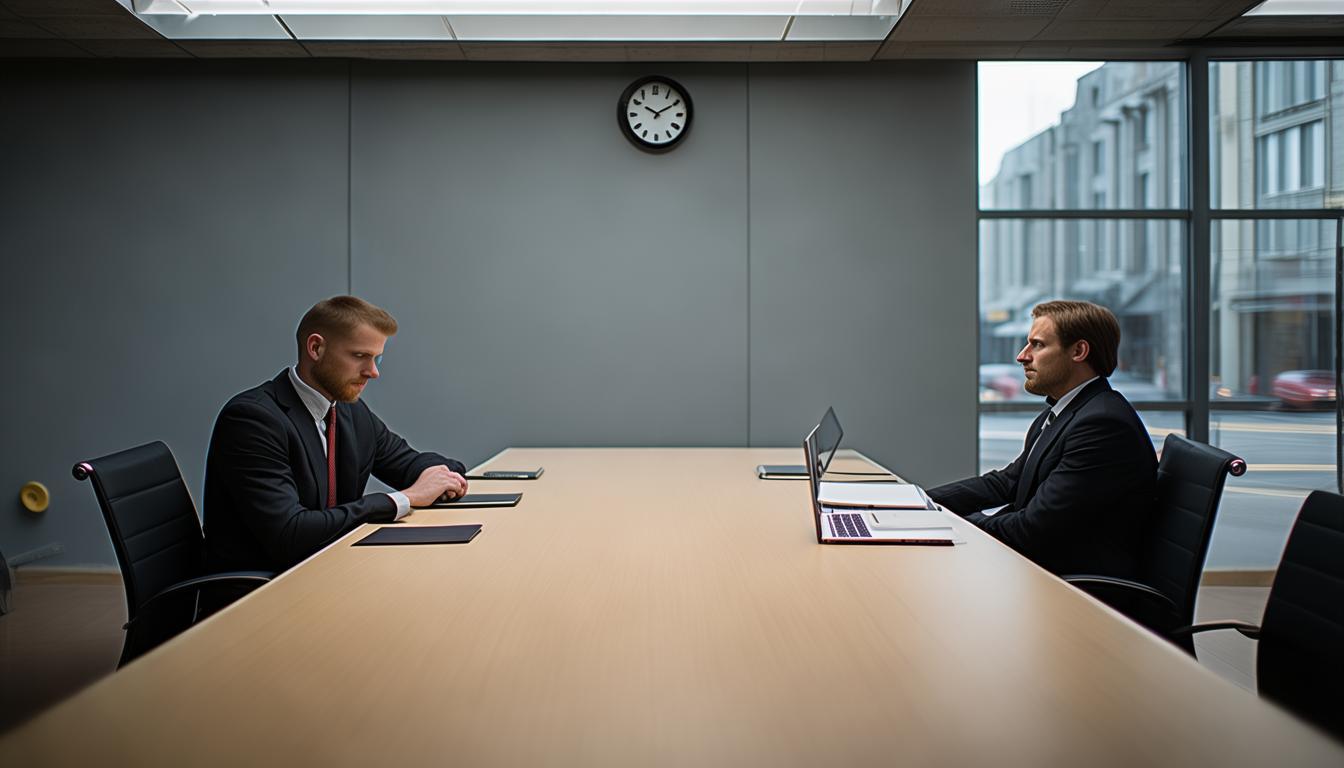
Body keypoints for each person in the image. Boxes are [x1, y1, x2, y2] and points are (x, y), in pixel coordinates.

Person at [204, 296, 469, 573]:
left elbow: (407, 463)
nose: (373, 372)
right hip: (262, 590)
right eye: (359, 356)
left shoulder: (348, 411)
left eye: (376, 358)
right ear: (316, 348)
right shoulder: (253, 420)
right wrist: (404, 498)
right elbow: (290, 534)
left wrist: (444, 476)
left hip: (330, 570)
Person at [928, 300, 1157, 578]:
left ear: (1079, 351)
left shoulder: (1103, 425)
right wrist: (922, 502)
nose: (1022, 356)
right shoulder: (1065, 411)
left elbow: (1033, 529)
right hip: (1040, 569)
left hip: (1076, 587)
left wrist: (955, 525)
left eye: (1037, 345)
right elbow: (1008, 482)